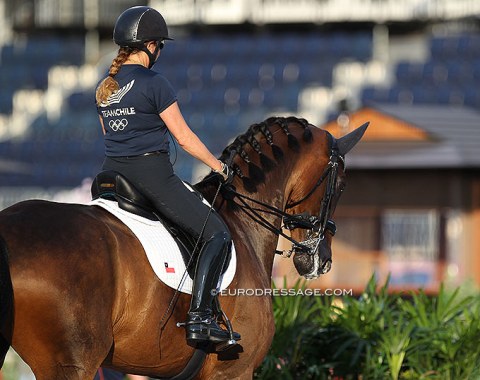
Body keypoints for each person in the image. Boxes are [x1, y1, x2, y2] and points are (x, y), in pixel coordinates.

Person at [94, 6, 239, 349]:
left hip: (110, 177)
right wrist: (220, 168)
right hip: (151, 177)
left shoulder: (104, 87)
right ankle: (201, 319)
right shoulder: (155, 83)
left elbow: (109, 135)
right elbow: (184, 138)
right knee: (217, 233)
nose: (159, 51)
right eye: (160, 45)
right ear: (150, 46)